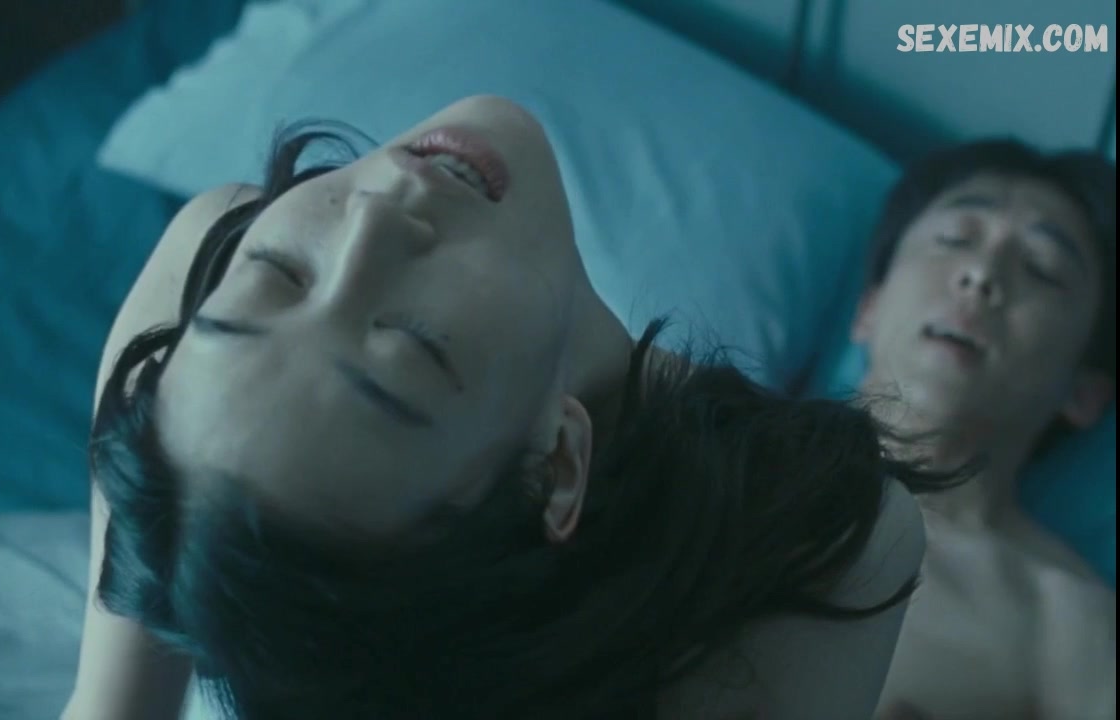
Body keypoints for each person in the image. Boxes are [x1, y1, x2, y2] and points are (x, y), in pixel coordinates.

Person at [61, 95, 947, 720]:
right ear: (556, 465)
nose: (374, 216)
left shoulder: (207, 270)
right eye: (411, 345)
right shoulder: (823, 542)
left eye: (280, 275)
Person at [848, 140, 1118, 720]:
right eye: (954, 239)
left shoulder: (1064, 627)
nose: (981, 274)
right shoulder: (702, 432)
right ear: (868, 307)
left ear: (1085, 392)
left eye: (1042, 270)